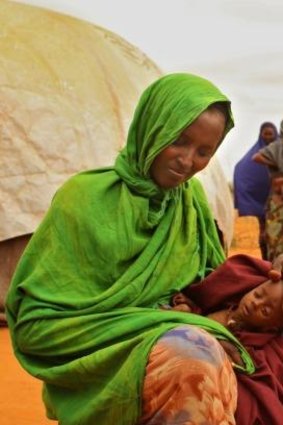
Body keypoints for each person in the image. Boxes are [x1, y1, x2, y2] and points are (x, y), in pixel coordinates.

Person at [4, 73, 280, 425]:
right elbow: (36, 323)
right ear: (153, 126)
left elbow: (211, 285)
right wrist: (171, 325)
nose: (187, 161)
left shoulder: (190, 202)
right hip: (103, 352)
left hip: (185, 336)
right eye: (178, 140)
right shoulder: (84, 199)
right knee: (193, 360)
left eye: (203, 152)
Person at [168, 254, 283, 425]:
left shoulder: (251, 341)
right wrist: (190, 309)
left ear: (270, 327)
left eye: (265, 311)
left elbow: (249, 367)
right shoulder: (224, 304)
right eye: (258, 294)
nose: (255, 304)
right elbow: (203, 308)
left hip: (198, 363)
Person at [233, 122, 278, 259]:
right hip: (261, 202)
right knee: (264, 233)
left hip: (277, 200)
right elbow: (241, 170)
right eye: (266, 134)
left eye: (271, 134)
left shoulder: (279, 151)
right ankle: (266, 261)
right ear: (260, 135)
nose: (268, 137)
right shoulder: (256, 155)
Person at [252, 119, 283, 261]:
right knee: (274, 238)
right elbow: (257, 157)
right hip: (277, 202)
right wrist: (275, 162)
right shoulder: (277, 146)